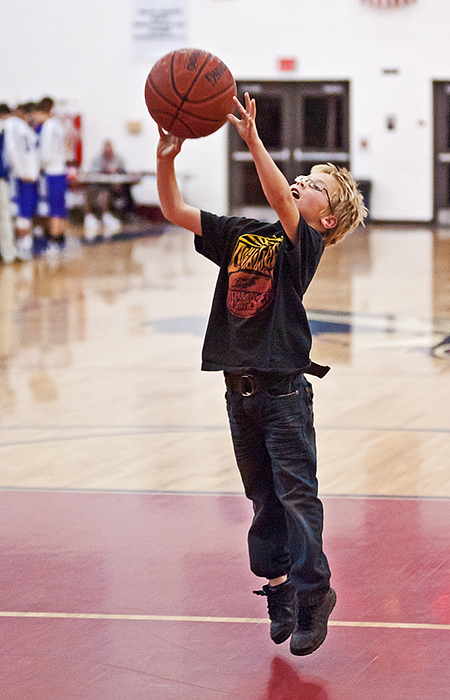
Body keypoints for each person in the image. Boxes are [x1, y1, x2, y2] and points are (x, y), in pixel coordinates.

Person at [156, 92, 367, 657]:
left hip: (284, 393)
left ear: (325, 218)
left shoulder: (305, 243)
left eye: (314, 185)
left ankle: (312, 594)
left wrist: (252, 139)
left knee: (298, 498)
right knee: (262, 502)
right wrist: (165, 157)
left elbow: (279, 195)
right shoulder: (242, 233)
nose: (300, 182)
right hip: (239, 392)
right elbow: (175, 211)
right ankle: (277, 590)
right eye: (304, 177)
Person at [3, 103, 40, 260]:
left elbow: (14, 150)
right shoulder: (20, 127)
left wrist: (21, 170)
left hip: (22, 175)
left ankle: (22, 245)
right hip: (26, 174)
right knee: (22, 213)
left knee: (20, 213)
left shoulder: (14, 126)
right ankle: (22, 245)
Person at [35, 96, 68, 253]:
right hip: (61, 169)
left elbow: (45, 154)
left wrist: (38, 166)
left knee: (53, 208)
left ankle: (53, 241)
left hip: (51, 171)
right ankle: (61, 237)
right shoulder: (58, 125)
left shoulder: (47, 127)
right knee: (61, 207)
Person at [84, 140, 132, 240]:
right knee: (91, 191)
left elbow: (123, 172)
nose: (108, 152)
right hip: (98, 185)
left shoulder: (118, 159)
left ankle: (107, 215)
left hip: (114, 187)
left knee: (109, 191)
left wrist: (116, 170)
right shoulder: (97, 159)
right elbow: (93, 172)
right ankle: (91, 215)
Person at [0, 104, 18, 263]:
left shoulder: (6, 128)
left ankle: (8, 252)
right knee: (4, 216)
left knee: (4, 216)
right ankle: (8, 252)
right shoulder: (6, 127)